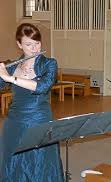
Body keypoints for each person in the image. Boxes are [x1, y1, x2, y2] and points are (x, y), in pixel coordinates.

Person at [0, 23, 64, 181]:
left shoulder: (49, 64)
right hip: (14, 122)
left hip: (39, 121)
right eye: (29, 44)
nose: (35, 49)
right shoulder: (13, 65)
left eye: (37, 43)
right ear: (19, 44)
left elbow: (42, 87)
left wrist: (11, 78)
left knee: (39, 164)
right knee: (13, 162)